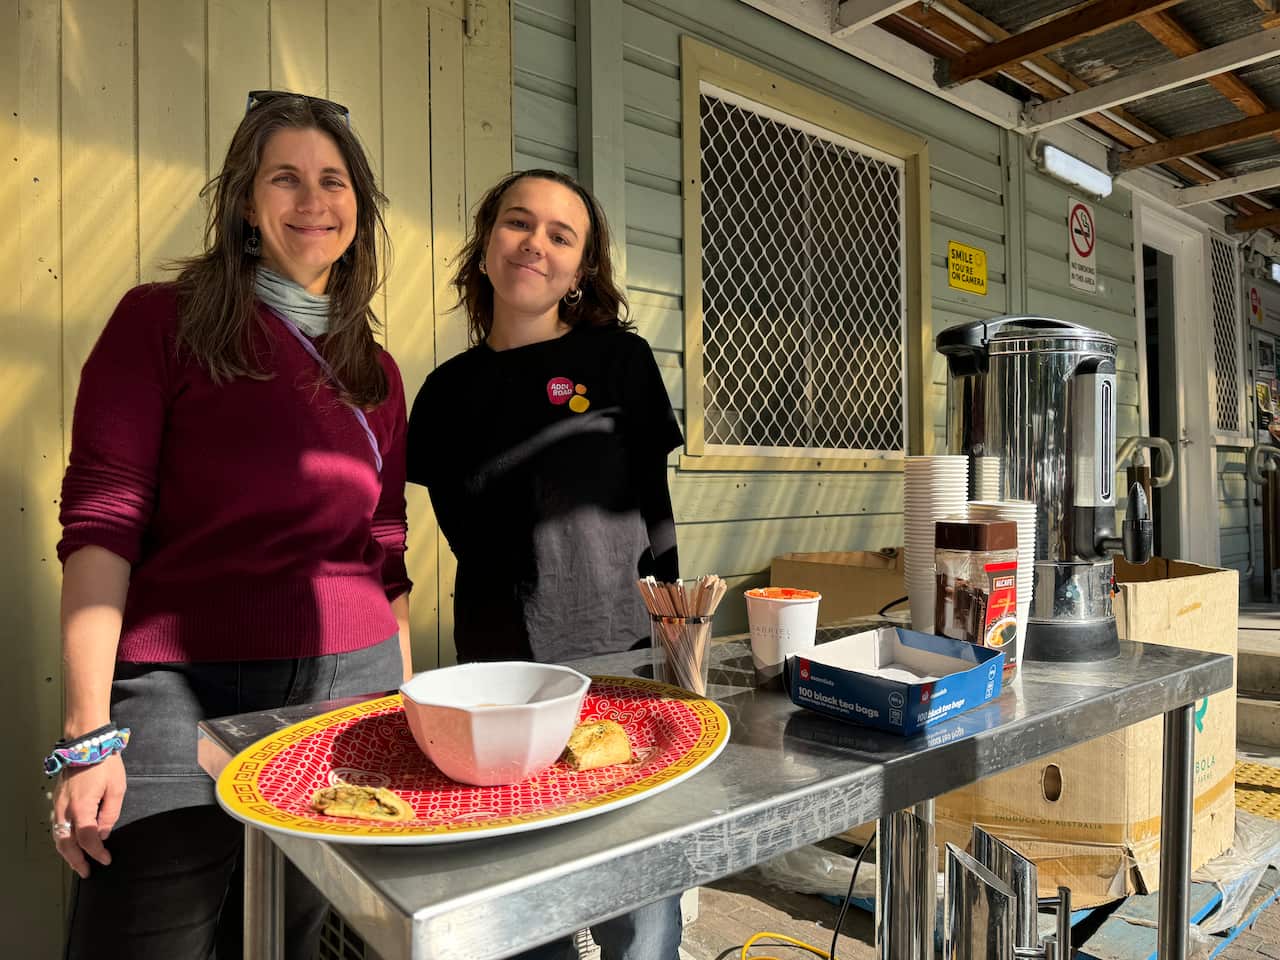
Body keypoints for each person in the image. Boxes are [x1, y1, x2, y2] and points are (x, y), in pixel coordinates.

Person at [50, 90, 412, 960]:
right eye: (284, 178)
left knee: (284, 937)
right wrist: (84, 736)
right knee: (143, 934)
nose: (311, 200)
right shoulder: (159, 322)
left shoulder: (377, 369)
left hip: (348, 687)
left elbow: (386, 552)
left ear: (359, 211)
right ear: (246, 205)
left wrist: (410, 714)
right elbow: (102, 525)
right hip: (178, 690)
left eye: (332, 181)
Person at [405, 169, 685, 959]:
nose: (536, 243)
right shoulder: (442, 394)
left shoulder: (619, 360)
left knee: (638, 903)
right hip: (497, 678)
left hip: (621, 657)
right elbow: (459, 530)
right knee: (524, 901)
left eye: (562, 235)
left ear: (581, 267)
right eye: (517, 224)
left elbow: (655, 506)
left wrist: (677, 637)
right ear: (486, 245)